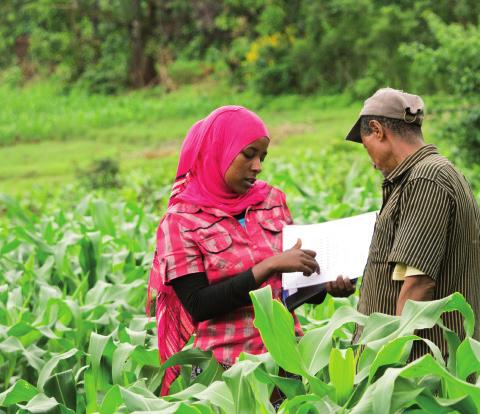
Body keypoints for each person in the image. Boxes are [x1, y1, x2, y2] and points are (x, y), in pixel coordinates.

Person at [147, 105, 322, 396]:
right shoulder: (181, 220)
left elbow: (288, 290)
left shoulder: (272, 200)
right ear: (220, 151)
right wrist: (267, 267)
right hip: (225, 373)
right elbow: (199, 304)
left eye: (263, 157)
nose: (258, 166)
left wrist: (326, 285)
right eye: (249, 154)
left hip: (285, 362)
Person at [330, 87, 480, 359]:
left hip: (420, 369)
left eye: (367, 147)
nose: (372, 163)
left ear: (378, 130)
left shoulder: (425, 180)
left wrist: (390, 365)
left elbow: (417, 285)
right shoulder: (436, 173)